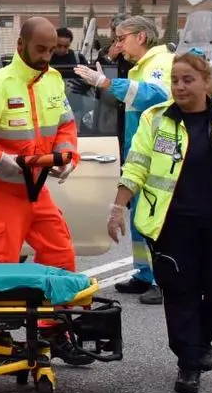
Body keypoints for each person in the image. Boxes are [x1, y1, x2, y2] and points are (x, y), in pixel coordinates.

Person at [108, 53, 212, 393]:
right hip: (172, 225)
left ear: (206, 83)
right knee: (181, 294)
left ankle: (197, 344)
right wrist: (117, 207)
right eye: (175, 80)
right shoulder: (156, 119)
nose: (179, 86)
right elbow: (136, 166)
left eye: (187, 80)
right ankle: (188, 365)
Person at [0, 17, 78, 272]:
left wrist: (66, 156)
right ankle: (5, 314)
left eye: (51, 50)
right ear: (21, 45)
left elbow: (66, 126)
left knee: (61, 259)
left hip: (37, 190)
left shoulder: (53, 80)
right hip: (1, 193)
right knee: (1, 270)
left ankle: (51, 314)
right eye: (40, 49)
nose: (47, 56)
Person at [73, 16, 173, 304]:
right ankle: (145, 274)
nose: (118, 44)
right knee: (141, 217)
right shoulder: (141, 66)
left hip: (158, 156)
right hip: (140, 152)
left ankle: (162, 279)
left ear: (140, 37)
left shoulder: (160, 63)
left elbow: (155, 97)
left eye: (121, 38)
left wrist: (105, 82)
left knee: (155, 218)